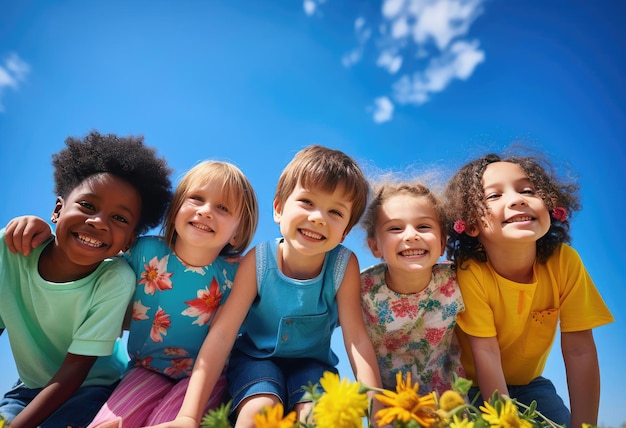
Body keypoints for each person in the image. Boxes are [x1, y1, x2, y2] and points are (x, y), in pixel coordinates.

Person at [5, 160, 259, 427]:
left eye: (222, 208)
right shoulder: (142, 252)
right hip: (145, 369)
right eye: (196, 199)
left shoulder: (238, 274)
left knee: (167, 422)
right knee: (107, 425)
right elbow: (89, 251)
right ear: (175, 210)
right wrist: (43, 230)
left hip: (207, 376)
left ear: (238, 232)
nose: (206, 211)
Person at [147, 145, 383, 428]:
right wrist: (188, 417)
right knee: (259, 412)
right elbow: (223, 333)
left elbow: (356, 339)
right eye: (307, 202)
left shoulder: (344, 265)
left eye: (335, 212)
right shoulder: (258, 261)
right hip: (254, 360)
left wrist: (380, 415)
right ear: (279, 209)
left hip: (313, 366)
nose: (318, 217)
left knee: (320, 417)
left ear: (345, 231)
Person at [0, 131, 172, 428]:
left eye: (119, 218)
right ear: (57, 209)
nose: (98, 222)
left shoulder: (115, 280)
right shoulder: (10, 249)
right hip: (27, 388)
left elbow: (72, 374)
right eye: (87, 206)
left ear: (128, 241)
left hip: (91, 389)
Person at [444, 152, 614, 427]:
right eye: (494, 196)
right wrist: (507, 422)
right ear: (470, 224)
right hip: (469, 389)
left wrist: (585, 426)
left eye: (527, 190)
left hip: (531, 386)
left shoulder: (565, 262)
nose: (518, 199)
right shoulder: (470, 271)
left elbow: (579, 350)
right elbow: (485, 352)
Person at [360, 181, 465, 397]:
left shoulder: (456, 280)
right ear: (374, 246)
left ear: (443, 242)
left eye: (424, 226)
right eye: (395, 228)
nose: (411, 235)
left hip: (449, 401)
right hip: (390, 403)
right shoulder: (362, 288)